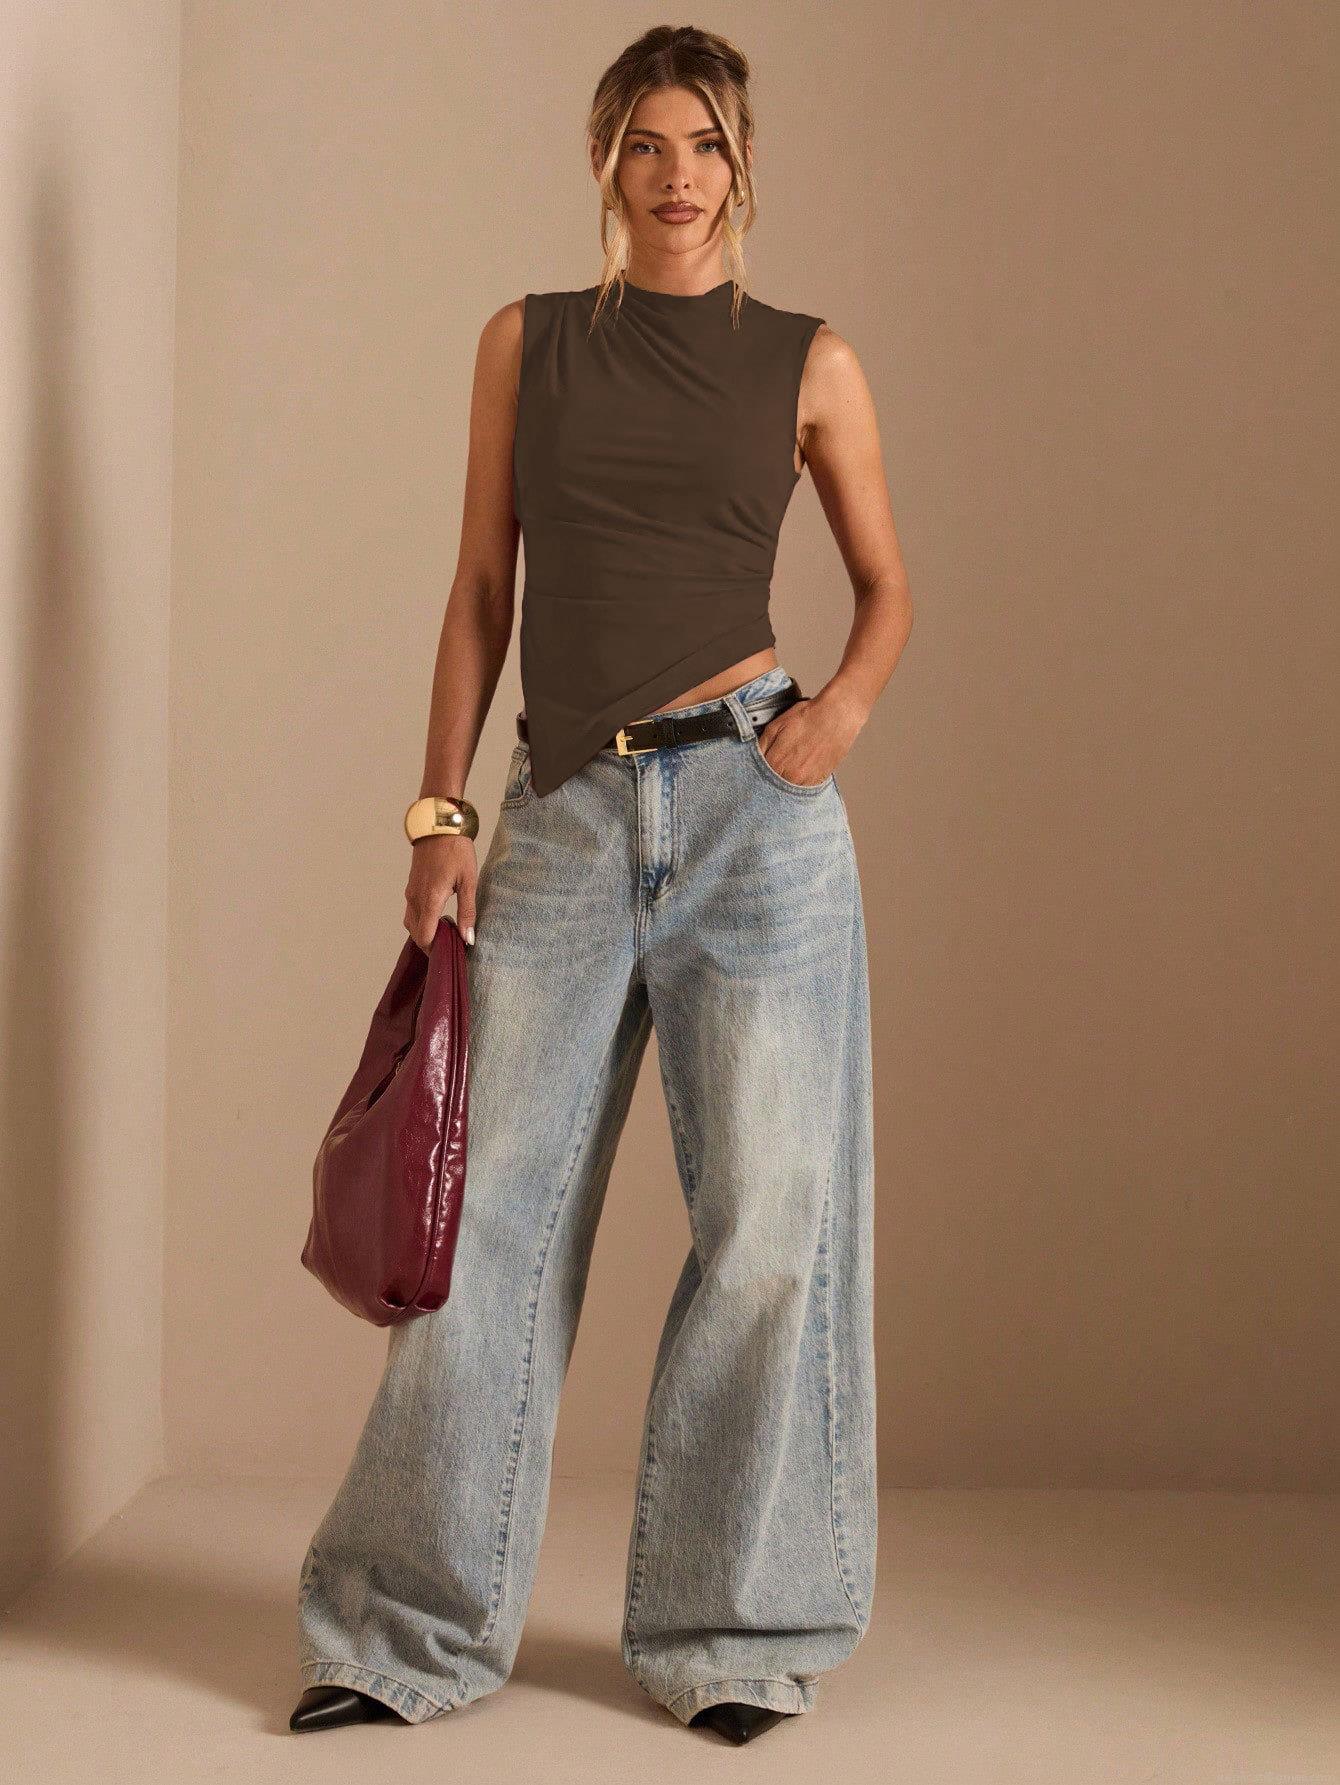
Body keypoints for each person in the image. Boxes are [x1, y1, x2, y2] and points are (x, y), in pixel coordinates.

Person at [291, 23, 912, 1747]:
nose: (676, 174)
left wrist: (838, 714)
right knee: (481, 1215)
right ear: (602, 160)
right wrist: (438, 808)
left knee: (771, 1221)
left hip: (754, 814)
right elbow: (481, 587)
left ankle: (734, 1628)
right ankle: (403, 1628)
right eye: (646, 142)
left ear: (742, 165)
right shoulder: (530, 342)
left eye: (705, 143)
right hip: (564, 808)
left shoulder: (809, 361)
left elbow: (888, 585)